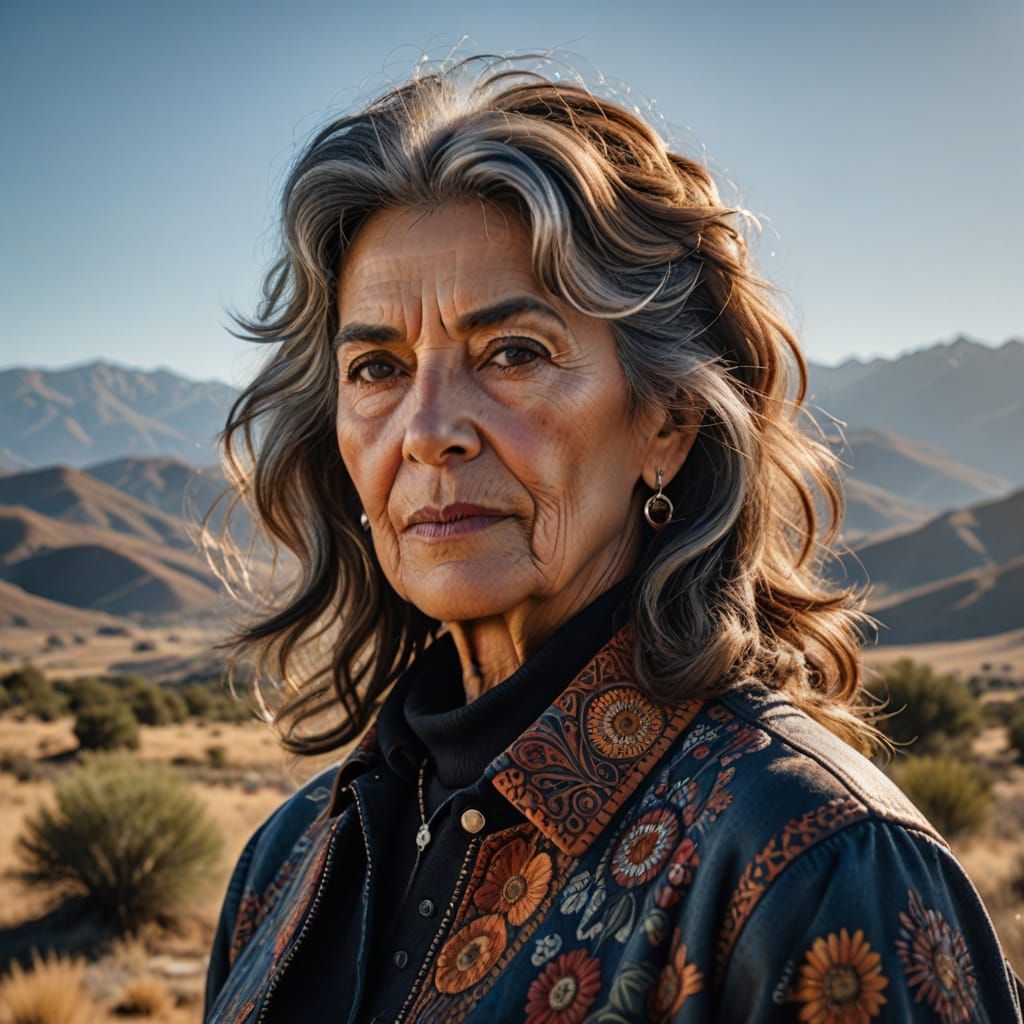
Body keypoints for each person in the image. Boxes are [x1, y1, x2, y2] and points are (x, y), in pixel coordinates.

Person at [201, 51, 1024, 1023]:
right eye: (376, 367)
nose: (427, 430)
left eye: (513, 352)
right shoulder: (286, 863)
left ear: (665, 423)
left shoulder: (820, 864)